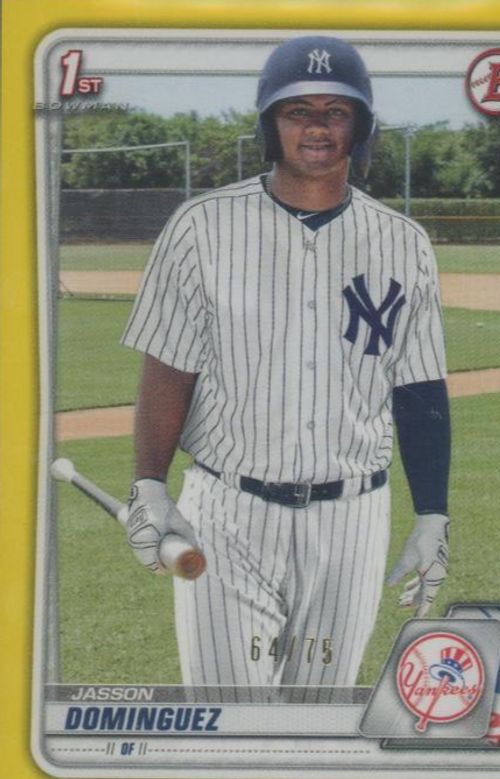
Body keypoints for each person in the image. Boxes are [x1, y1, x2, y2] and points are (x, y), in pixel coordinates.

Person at [121, 35, 451, 691]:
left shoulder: (404, 243)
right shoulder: (201, 227)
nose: (318, 127)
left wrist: (433, 514)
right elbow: (169, 369)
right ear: (270, 125)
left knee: (318, 721)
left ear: (360, 127)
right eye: (298, 111)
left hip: (352, 520)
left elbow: (418, 389)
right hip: (227, 513)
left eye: (336, 111)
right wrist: (150, 485)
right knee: (229, 721)